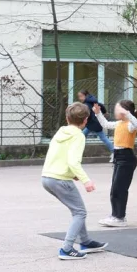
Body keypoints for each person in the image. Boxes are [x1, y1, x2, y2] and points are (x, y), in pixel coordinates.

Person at [39, 102, 108, 259]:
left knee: (77, 210)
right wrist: (86, 180)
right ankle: (67, 248)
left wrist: (73, 174)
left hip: (47, 177)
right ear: (85, 120)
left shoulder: (61, 132)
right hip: (60, 179)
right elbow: (73, 161)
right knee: (80, 212)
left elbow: (58, 156)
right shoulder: (78, 136)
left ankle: (85, 242)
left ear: (66, 118)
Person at [95, 99, 137, 227]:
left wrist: (127, 114)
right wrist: (98, 113)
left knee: (120, 189)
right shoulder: (119, 123)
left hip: (126, 158)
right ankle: (115, 215)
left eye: (118, 109)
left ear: (125, 111)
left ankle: (120, 217)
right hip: (118, 157)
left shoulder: (130, 124)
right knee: (114, 189)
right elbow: (105, 124)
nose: (115, 111)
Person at [77, 89, 114, 159]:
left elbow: (87, 114)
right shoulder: (93, 101)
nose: (80, 98)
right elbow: (101, 105)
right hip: (94, 123)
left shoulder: (86, 104)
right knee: (82, 136)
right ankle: (114, 151)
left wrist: (83, 121)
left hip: (93, 123)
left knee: (82, 136)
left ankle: (114, 152)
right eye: (79, 96)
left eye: (81, 96)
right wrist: (105, 112)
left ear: (86, 95)